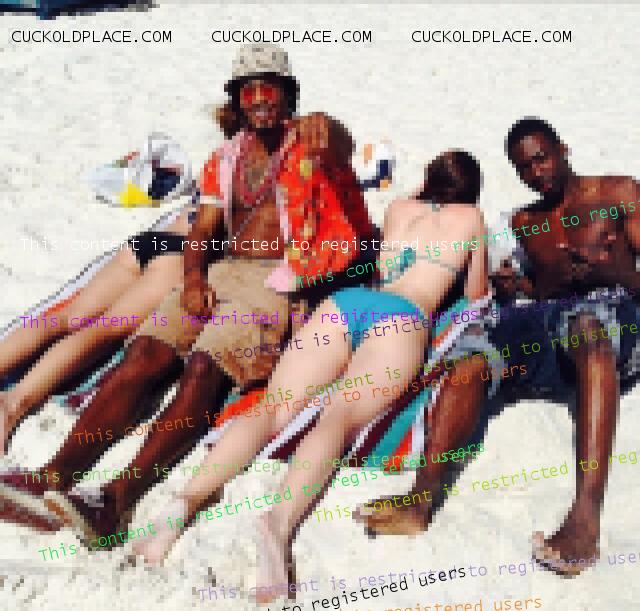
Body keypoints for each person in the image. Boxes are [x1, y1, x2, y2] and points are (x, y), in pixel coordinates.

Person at [0, 43, 375, 539]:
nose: (260, 100)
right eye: (249, 91)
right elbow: (203, 229)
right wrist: (195, 277)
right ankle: (56, 473)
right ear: (237, 99)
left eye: (270, 89)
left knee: (203, 367)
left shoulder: (312, 147)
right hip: (222, 271)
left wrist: (329, 124)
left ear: (289, 95)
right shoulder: (227, 157)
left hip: (278, 281)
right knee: (143, 355)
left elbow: (341, 147)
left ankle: (116, 501)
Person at [128, 150, 488, 600]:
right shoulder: (472, 218)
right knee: (339, 416)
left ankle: (186, 499)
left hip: (349, 304)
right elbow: (477, 292)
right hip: (402, 317)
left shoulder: (399, 208)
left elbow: (395, 238)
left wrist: (422, 190)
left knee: (273, 407)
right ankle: (277, 525)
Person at [358, 117, 640, 577]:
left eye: (541, 159)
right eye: (523, 167)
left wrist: (617, 273)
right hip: (551, 320)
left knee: (588, 326)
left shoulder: (618, 193)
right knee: (473, 350)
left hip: (614, 317)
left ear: (563, 148)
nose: (535, 173)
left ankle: (585, 518)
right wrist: (512, 287)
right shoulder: (525, 222)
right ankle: (421, 498)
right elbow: (538, 291)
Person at [0, 207, 194, 454]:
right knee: (105, 328)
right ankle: (12, 404)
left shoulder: (213, 180)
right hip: (184, 253)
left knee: (69, 316)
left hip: (153, 240)